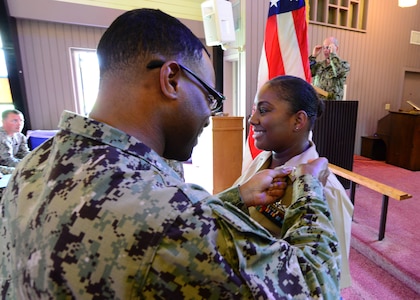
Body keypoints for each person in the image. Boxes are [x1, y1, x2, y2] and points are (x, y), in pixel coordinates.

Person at [0, 9, 341, 299]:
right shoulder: (173, 219)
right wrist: (309, 191)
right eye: (209, 97)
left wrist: (235, 197)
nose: (210, 115)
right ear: (172, 80)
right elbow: (316, 286)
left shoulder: (32, 168)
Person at [234, 75, 354, 289]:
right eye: (254, 110)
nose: (252, 120)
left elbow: (330, 277)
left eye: (263, 110)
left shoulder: (326, 190)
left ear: (298, 121)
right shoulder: (262, 160)